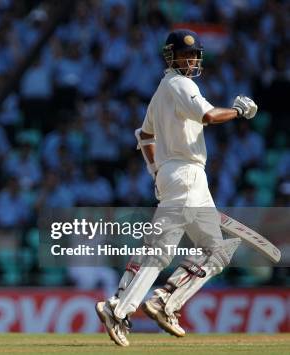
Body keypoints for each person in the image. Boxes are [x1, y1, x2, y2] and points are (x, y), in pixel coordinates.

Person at [95, 29, 258, 347]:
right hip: (184, 174)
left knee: (218, 252)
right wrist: (239, 111)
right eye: (185, 55)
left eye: (194, 55)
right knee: (159, 251)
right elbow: (209, 116)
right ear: (170, 57)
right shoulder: (180, 84)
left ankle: (165, 301)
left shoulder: (161, 91)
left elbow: (144, 136)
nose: (191, 60)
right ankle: (118, 308)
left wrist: (155, 171)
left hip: (187, 176)